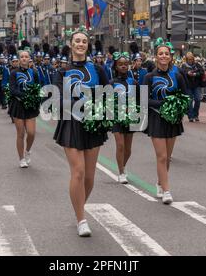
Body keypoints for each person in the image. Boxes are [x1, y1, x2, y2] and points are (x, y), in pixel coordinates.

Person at [53, 28, 110, 237]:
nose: (80, 44)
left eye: (84, 41)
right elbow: (57, 98)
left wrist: (101, 108)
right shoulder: (61, 71)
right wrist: (78, 104)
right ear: (70, 44)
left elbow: (109, 93)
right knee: (78, 172)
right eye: (76, 41)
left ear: (88, 45)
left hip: (93, 123)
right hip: (72, 124)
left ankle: (78, 206)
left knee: (89, 176)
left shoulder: (98, 69)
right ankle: (81, 219)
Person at [144, 40, 187, 205]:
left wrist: (178, 108)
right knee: (161, 156)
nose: (163, 56)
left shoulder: (177, 76)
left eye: (166, 54)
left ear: (171, 58)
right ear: (156, 57)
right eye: (160, 53)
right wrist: (163, 104)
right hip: (156, 119)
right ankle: (167, 190)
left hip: (173, 120)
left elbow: (184, 96)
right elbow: (144, 100)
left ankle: (160, 182)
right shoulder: (149, 77)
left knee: (167, 157)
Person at [9, 52, 41, 168]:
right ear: (19, 59)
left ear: (29, 59)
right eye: (22, 57)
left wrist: (35, 98)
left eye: (26, 57)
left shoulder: (34, 72)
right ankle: (21, 159)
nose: (24, 58)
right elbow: (12, 89)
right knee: (21, 133)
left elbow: (38, 87)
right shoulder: (14, 73)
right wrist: (24, 96)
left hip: (31, 106)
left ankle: (28, 151)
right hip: (18, 105)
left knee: (31, 133)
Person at [111, 52, 138, 185]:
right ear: (116, 67)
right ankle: (121, 172)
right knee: (120, 146)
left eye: (125, 64)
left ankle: (123, 165)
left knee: (128, 150)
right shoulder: (111, 83)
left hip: (130, 117)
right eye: (120, 64)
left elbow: (139, 99)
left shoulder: (133, 82)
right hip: (116, 117)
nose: (123, 66)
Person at [181, 52, 205, 122]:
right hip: (188, 85)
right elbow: (181, 73)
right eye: (189, 59)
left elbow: (202, 72)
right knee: (189, 101)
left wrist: (195, 74)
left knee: (197, 99)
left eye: (191, 59)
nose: (190, 60)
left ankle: (195, 114)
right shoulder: (184, 65)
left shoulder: (197, 65)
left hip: (196, 85)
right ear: (186, 59)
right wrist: (187, 73)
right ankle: (190, 116)